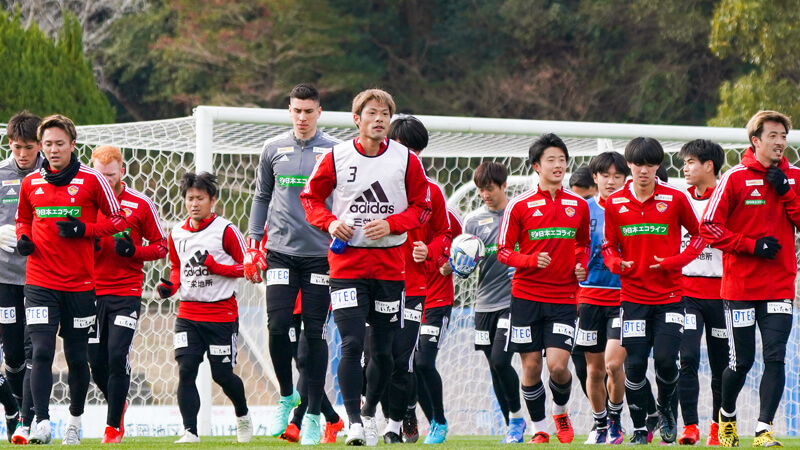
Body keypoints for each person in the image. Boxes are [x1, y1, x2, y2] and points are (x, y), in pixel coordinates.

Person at [300, 88, 431, 446]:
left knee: (384, 352)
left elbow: (423, 208)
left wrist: (392, 224)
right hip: (347, 266)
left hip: (390, 266)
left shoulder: (407, 160)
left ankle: (371, 411)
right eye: (371, 113)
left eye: (385, 114)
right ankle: (354, 423)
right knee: (352, 343)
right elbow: (310, 198)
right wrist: (329, 222)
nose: (379, 119)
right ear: (356, 119)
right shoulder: (336, 157)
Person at [15, 114, 128, 445]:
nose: (53, 150)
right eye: (48, 144)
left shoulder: (93, 180)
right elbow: (23, 219)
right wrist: (24, 238)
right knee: (40, 351)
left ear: (73, 145)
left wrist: (85, 229)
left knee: (78, 357)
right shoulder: (30, 182)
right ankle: (41, 423)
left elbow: (118, 220)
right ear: (41, 146)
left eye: (59, 144)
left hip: (79, 285)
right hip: (39, 282)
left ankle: (75, 424)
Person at [245, 84, 342, 445]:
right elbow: (261, 197)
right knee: (277, 326)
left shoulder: (335, 151)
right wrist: (253, 242)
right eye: (297, 111)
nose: (302, 118)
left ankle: (314, 416)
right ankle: (287, 396)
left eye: (309, 111)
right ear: (289, 111)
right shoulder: (273, 148)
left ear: (319, 113)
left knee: (314, 334)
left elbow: (345, 198)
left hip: (319, 256)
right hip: (280, 252)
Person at [701, 111, 800, 448]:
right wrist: (751, 245)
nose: (780, 142)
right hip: (740, 288)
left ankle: (763, 430)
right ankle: (727, 416)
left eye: (784, 136)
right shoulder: (734, 178)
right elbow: (709, 228)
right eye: (773, 135)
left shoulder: (794, 177)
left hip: (780, 286)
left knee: (776, 357)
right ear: (755, 140)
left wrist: (786, 192)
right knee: (741, 361)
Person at [601, 137, 704, 445]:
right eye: (638, 164)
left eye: (650, 164)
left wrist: (676, 261)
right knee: (633, 366)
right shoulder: (615, 202)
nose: (643, 170)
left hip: (670, 298)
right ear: (629, 165)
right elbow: (608, 245)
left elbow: (699, 236)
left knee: (665, 361)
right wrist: (616, 263)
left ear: (658, 165)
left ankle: (667, 410)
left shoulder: (675, 198)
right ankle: (641, 428)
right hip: (632, 298)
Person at [497, 133, 591, 444]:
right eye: (551, 159)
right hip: (525, 297)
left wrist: (581, 264)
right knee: (532, 367)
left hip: (564, 298)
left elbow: (583, 244)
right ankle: (539, 428)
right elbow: (503, 251)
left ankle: (560, 412)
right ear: (536, 166)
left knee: (558, 366)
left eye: (562, 159)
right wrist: (529, 260)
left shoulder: (578, 204)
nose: (558, 165)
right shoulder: (519, 205)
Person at [157, 172, 252, 444]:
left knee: (222, 375)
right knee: (186, 369)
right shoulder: (177, 232)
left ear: (212, 200)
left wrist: (216, 267)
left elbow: (248, 267)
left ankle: (243, 414)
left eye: (200, 198)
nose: (194, 203)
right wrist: (170, 287)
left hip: (221, 315)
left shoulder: (226, 230)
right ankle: (190, 432)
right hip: (188, 315)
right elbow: (177, 268)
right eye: (190, 198)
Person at [88, 145, 168, 443]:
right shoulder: (86, 202)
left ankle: (112, 428)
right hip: (90, 292)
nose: (106, 181)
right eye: (100, 175)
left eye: (111, 175)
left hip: (126, 292)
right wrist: (88, 244)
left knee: (117, 354)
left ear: (122, 171)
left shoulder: (140, 203)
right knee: (95, 362)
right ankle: (118, 402)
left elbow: (161, 246)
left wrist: (134, 251)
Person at [379, 115, 451, 445]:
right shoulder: (375, 185)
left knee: (418, 361)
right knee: (381, 362)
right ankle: (402, 413)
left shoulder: (433, 193)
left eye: (416, 150)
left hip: (429, 294)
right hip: (383, 286)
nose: (411, 156)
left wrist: (434, 253)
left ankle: (436, 420)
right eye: (404, 147)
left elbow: (452, 239)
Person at [461, 162, 526, 443]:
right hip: (484, 303)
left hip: (514, 301)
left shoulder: (520, 215)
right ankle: (513, 426)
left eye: (489, 189)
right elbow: (465, 262)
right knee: (494, 366)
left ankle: (517, 420)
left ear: (503, 186)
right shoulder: (473, 222)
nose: (485, 195)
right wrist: (457, 265)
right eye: (481, 190)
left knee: (501, 360)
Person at [574, 151, 630, 445]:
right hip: (589, 298)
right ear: (594, 178)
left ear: (625, 178)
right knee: (594, 370)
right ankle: (599, 424)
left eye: (617, 176)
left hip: (623, 297)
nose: (611, 181)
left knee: (613, 365)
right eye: (605, 175)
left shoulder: (631, 207)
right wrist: (575, 264)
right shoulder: (582, 209)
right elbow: (572, 247)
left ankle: (616, 421)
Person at [675, 139, 726, 446]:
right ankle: (690, 426)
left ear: (709, 165)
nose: (685, 167)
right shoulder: (680, 200)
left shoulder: (728, 198)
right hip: (687, 295)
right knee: (688, 358)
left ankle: (718, 428)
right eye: (684, 162)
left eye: (691, 162)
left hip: (723, 295)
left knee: (721, 365)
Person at [0, 112, 43, 443]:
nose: (23, 154)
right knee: (13, 356)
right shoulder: (1, 174)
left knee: (35, 351)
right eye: (17, 147)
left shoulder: (52, 175)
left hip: (41, 278)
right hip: (4, 278)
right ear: (10, 144)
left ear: (39, 145)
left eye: (29, 147)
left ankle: (30, 420)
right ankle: (15, 412)